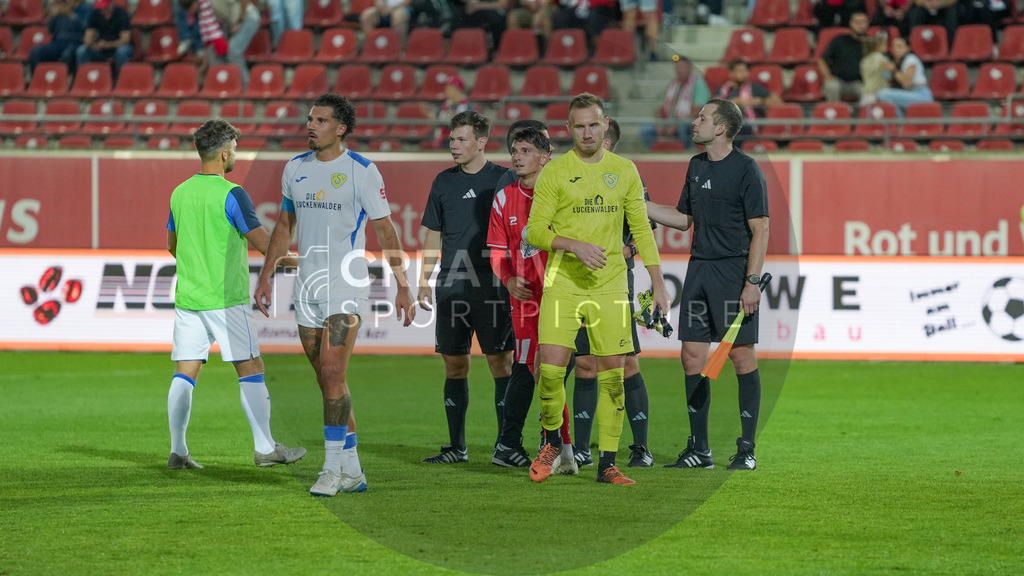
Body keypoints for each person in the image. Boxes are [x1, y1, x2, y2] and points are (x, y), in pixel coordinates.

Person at [254, 94, 416, 497]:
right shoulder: (295, 167)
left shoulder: (362, 171)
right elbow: (283, 225)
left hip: (345, 285)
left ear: (341, 128)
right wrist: (266, 275)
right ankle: (354, 469)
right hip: (307, 286)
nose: (311, 126)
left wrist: (403, 284)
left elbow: (386, 230)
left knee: (331, 373)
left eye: (321, 120)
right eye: (310, 119)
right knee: (329, 380)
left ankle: (330, 469)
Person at [524, 93, 670, 486]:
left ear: (605, 125)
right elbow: (535, 231)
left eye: (594, 124)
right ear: (568, 129)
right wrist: (572, 245)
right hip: (564, 284)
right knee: (551, 373)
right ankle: (552, 443)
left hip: (609, 288)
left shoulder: (625, 170)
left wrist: (659, 285)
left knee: (612, 378)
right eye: (579, 126)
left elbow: (641, 229)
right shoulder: (554, 172)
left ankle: (607, 463)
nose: (587, 132)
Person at [165, 119, 306, 471]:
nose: (236, 157)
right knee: (251, 368)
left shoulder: (179, 192)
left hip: (189, 300)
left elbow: (172, 246)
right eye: (236, 150)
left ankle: (178, 451)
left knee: (185, 374)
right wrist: (304, 261)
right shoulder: (232, 194)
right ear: (225, 152)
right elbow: (263, 244)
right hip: (225, 300)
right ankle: (265, 448)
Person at [644, 98, 769, 471]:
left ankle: (746, 449)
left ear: (721, 129)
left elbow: (760, 228)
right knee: (691, 357)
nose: (694, 121)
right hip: (698, 270)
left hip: (734, 273)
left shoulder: (748, 170)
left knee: (740, 355)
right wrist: (637, 204)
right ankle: (700, 449)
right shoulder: (696, 165)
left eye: (702, 117)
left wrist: (752, 282)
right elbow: (684, 220)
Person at [418, 111, 515, 464]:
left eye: (461, 139)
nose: (453, 145)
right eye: (451, 139)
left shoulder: (504, 179)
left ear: (480, 142)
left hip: (492, 284)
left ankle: (507, 446)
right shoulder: (443, 182)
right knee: (454, 365)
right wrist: (423, 280)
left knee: (500, 364)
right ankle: (456, 447)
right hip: (452, 283)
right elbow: (433, 233)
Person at [487, 127, 580, 474]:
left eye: (525, 150)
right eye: (514, 150)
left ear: (545, 156)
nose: (516, 156)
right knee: (537, 371)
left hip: (562, 294)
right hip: (524, 299)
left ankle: (557, 445)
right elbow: (497, 252)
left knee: (551, 370)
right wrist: (508, 279)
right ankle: (561, 448)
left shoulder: (563, 194)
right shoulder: (504, 198)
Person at [570, 117, 657, 470]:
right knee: (584, 363)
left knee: (624, 362)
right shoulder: (569, 175)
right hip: (576, 281)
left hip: (618, 281)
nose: (588, 138)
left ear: (608, 142)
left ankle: (640, 448)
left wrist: (624, 252)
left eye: (596, 134)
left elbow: (644, 230)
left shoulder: (627, 177)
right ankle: (580, 448)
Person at [179, 0, 260, 88]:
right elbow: (209, 38)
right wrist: (205, 63)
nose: (191, 12)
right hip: (231, 24)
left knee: (233, 51)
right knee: (213, 52)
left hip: (248, 18)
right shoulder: (204, 12)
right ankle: (224, 86)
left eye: (190, 8)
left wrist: (240, 20)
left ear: (195, 2)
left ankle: (247, 87)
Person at [640, 55, 710, 151]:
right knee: (645, 129)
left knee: (684, 129)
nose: (679, 70)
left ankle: (686, 153)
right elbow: (661, 107)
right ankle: (654, 153)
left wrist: (677, 124)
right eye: (677, 68)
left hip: (687, 122)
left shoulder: (698, 84)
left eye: (682, 67)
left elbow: (699, 109)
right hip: (668, 121)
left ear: (690, 68)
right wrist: (660, 123)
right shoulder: (672, 84)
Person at [715, 59, 782, 148]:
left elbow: (778, 101)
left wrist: (754, 101)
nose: (745, 74)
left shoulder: (754, 87)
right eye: (741, 71)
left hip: (749, 129)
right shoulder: (723, 90)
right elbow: (713, 106)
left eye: (746, 71)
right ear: (731, 73)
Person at [818, 10, 869, 102]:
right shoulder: (839, 40)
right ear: (851, 23)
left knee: (869, 91)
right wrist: (827, 75)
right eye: (857, 22)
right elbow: (822, 60)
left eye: (864, 22)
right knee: (831, 86)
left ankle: (863, 115)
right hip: (838, 80)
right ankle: (836, 113)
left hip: (859, 82)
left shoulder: (871, 43)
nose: (861, 25)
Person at [29, 0, 91, 73]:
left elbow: (86, 26)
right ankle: (39, 80)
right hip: (58, 42)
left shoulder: (87, 8)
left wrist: (71, 15)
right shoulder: (62, 6)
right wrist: (53, 16)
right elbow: (50, 29)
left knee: (67, 55)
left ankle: (61, 81)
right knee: (35, 52)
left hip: (76, 42)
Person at [876, 36, 932, 117]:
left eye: (899, 46)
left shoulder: (911, 59)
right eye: (894, 46)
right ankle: (902, 126)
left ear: (908, 48)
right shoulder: (898, 62)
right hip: (911, 94)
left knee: (883, 94)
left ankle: (901, 125)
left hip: (921, 95)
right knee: (890, 100)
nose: (895, 49)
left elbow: (907, 82)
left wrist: (894, 71)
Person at [75, 0, 133, 77]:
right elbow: (87, 37)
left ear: (111, 3)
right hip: (100, 49)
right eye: (100, 7)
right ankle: (84, 78)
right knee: (81, 51)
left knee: (122, 51)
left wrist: (106, 45)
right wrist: (93, 44)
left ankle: (120, 78)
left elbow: (125, 40)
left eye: (104, 6)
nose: (102, 9)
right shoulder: (95, 14)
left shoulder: (122, 14)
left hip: (117, 47)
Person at [423, 75, 474, 150]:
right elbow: (437, 118)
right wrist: (428, 114)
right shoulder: (445, 105)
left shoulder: (468, 107)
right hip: (443, 142)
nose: (446, 90)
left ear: (457, 89)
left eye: (448, 88)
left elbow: (471, 127)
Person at [859, 35, 891, 106]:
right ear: (878, 46)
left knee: (865, 115)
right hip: (881, 92)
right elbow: (888, 76)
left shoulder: (864, 60)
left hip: (866, 93)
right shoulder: (883, 59)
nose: (887, 47)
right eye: (885, 45)